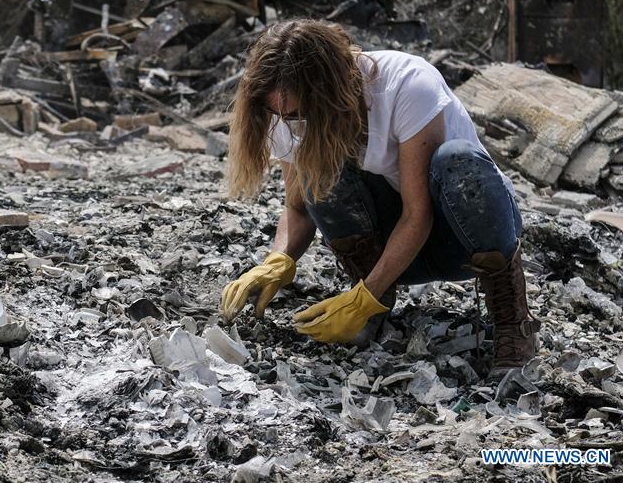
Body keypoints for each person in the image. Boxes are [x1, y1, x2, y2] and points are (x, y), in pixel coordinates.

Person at [220, 19, 540, 381]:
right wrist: (277, 260)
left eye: (295, 113)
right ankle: (375, 306)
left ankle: (514, 321)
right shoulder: (286, 110)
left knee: (457, 160)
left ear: (328, 92)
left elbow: (418, 215)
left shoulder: (407, 85)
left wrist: (362, 296)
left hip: (468, 240)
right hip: (398, 257)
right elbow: (298, 206)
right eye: (280, 114)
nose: (289, 122)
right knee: (321, 169)